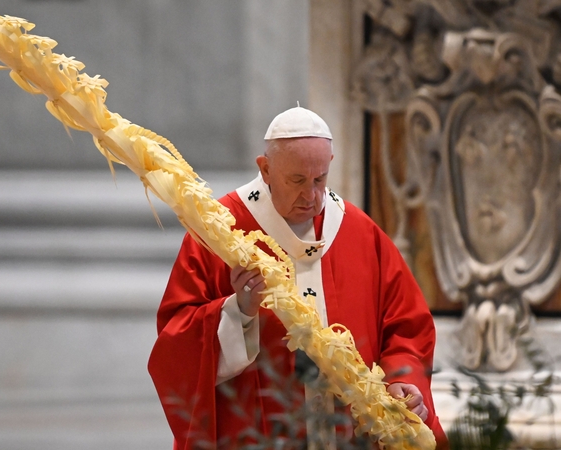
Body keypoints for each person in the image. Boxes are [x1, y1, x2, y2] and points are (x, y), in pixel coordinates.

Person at [148, 107, 448, 449]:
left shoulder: (358, 232)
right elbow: (176, 343)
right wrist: (238, 312)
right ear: (265, 169)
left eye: (320, 179)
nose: (311, 196)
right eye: (297, 181)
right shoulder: (219, 229)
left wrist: (402, 380)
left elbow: (406, 329)